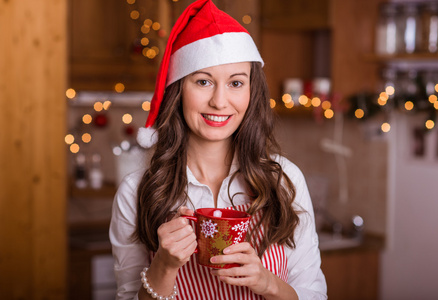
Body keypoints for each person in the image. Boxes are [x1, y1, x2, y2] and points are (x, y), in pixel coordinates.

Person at [109, 0, 327, 299]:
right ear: (178, 90)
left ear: (252, 92)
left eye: (236, 83)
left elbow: (313, 294)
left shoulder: (284, 180)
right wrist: (164, 265)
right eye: (203, 82)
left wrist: (267, 283)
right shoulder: (137, 192)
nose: (220, 102)